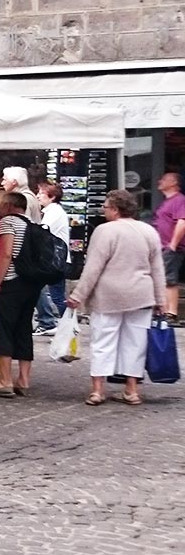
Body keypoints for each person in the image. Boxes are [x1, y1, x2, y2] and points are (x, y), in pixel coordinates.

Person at [67, 188, 166, 406]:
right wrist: (161, 300)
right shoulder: (149, 231)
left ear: (114, 209)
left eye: (105, 207)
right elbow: (157, 269)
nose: (103, 211)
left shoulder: (105, 231)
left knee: (103, 341)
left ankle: (98, 389)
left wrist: (78, 295)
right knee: (135, 343)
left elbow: (93, 267)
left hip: (108, 295)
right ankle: (131, 390)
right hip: (141, 295)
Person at [0, 190, 36, 398]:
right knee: (23, 328)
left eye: (2, 205)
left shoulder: (8, 222)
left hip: (11, 282)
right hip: (30, 284)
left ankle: (4, 380)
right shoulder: (32, 223)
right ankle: (24, 379)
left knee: (2, 329)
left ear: (11, 206)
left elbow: (6, 253)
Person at [33, 180, 70, 334]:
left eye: (41, 193)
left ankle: (63, 323)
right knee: (52, 293)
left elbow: (42, 233)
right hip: (54, 260)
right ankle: (56, 322)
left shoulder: (54, 213)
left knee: (55, 295)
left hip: (55, 261)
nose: (38, 196)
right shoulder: (51, 212)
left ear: (52, 197)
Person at [154, 172, 185, 325]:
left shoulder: (179, 200)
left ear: (173, 183)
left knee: (169, 279)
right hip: (161, 246)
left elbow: (182, 221)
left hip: (170, 247)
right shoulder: (166, 202)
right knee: (162, 278)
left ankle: (171, 312)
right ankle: (163, 310)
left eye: (164, 179)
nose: (160, 181)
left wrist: (173, 244)